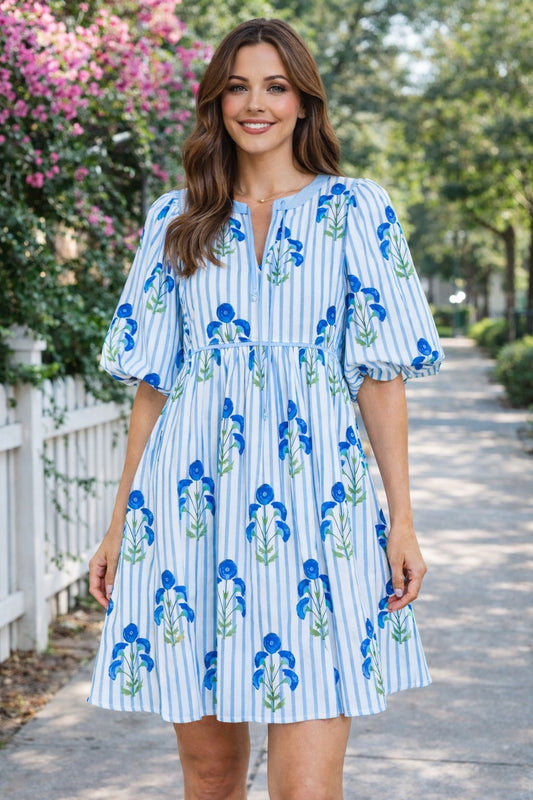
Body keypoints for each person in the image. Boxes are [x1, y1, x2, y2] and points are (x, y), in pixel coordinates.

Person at [88, 17, 444, 800]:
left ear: (303, 103)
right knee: (211, 778)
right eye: (237, 87)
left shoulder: (357, 211)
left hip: (321, 511)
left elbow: (380, 380)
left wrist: (401, 519)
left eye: (275, 87)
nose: (256, 104)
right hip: (188, 512)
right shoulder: (173, 219)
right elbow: (154, 385)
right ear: (215, 103)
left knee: (306, 791)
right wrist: (119, 524)